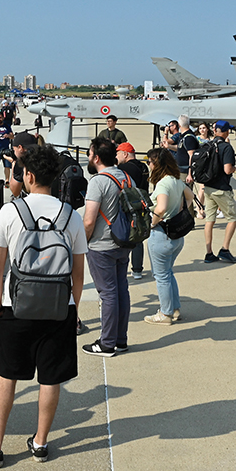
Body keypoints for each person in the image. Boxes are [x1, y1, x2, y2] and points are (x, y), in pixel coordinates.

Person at [0, 145, 87, 468]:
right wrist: (73, 307)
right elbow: (78, 272)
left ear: (29, 176)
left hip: (15, 307)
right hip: (58, 307)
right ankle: (40, 442)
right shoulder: (70, 216)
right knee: (50, 379)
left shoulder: (12, 212)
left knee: (6, 376)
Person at [80, 138, 132, 357]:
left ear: (97, 157)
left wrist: (83, 241)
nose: (88, 157)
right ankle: (120, 339)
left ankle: (107, 343)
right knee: (121, 290)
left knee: (107, 294)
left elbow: (89, 220)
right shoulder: (126, 177)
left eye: (90, 154)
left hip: (102, 245)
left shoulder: (98, 181)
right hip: (124, 241)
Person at [143, 149, 194, 325]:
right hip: (176, 236)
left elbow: (161, 207)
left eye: (149, 162)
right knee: (168, 273)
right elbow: (191, 197)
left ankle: (165, 313)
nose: (148, 165)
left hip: (162, 235)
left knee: (161, 276)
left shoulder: (163, 184)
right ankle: (174, 308)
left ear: (156, 164)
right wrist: (180, 212)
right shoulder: (176, 181)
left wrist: (153, 222)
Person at [203, 121, 236, 264]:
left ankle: (209, 252)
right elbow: (227, 169)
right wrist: (233, 169)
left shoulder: (207, 145)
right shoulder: (226, 147)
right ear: (225, 132)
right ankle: (225, 249)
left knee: (209, 220)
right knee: (233, 218)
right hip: (221, 188)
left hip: (207, 187)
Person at [115, 143, 149, 280]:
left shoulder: (124, 169)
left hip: (128, 205)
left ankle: (121, 265)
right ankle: (137, 269)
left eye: (118, 154)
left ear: (125, 154)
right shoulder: (143, 167)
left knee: (122, 236)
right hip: (141, 205)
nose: (116, 157)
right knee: (138, 237)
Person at [7, 132, 38, 198]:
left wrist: (14, 165)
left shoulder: (22, 162)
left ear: (20, 147)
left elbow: (15, 191)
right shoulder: (46, 157)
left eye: (14, 149)